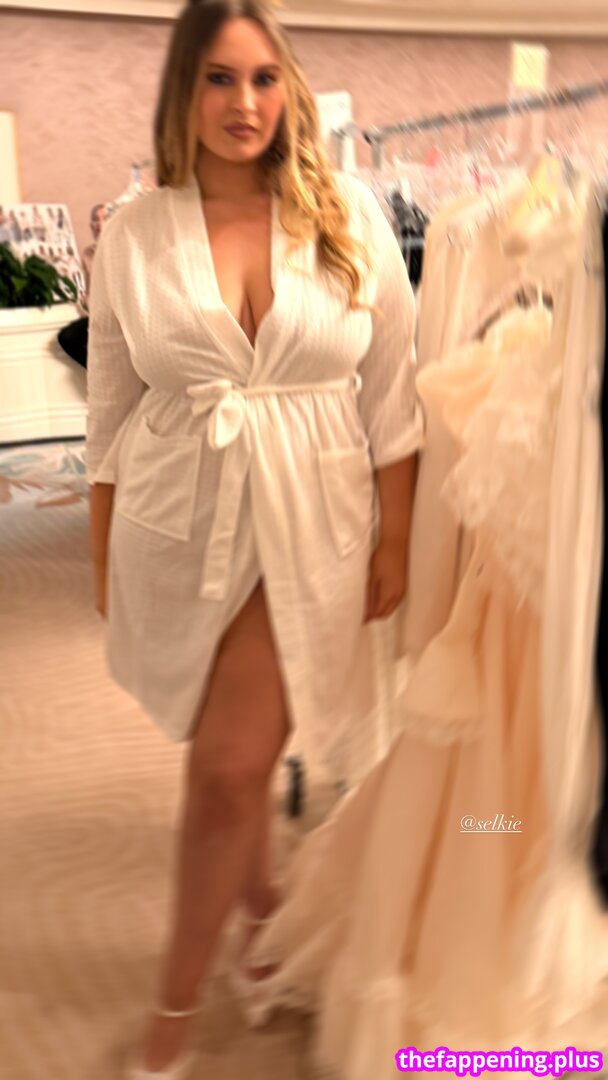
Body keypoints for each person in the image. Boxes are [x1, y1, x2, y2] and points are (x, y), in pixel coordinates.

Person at [85, 1, 423, 1077]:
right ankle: (263, 919)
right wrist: (103, 554)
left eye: (266, 78)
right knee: (222, 752)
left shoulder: (348, 214)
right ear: (183, 91)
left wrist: (395, 539)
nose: (246, 103)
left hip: (314, 520)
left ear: (292, 89)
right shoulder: (137, 232)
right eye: (221, 79)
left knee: (230, 773)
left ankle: (171, 1019)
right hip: (177, 523)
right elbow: (110, 412)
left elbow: (394, 393)